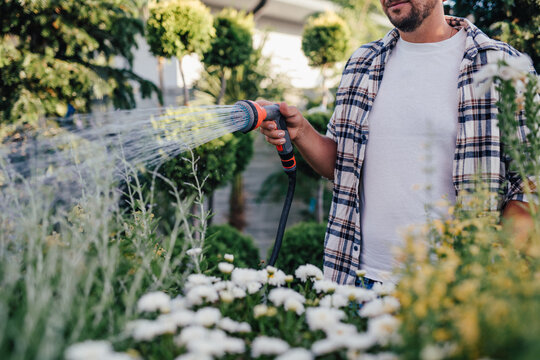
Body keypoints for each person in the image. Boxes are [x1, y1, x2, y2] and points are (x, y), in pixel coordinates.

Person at [258, 0, 536, 286]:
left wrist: (489, 273)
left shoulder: (500, 65)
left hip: (450, 291)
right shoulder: (362, 62)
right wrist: (302, 130)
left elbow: (531, 185)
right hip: (357, 282)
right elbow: (342, 166)